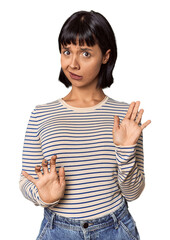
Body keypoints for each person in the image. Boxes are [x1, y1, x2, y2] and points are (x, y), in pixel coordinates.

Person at [19, 10, 151, 240]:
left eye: (86, 53)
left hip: (115, 229)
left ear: (106, 56)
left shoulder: (124, 116)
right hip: (57, 230)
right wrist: (45, 197)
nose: (73, 64)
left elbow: (133, 192)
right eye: (67, 51)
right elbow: (25, 179)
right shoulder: (42, 114)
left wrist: (126, 151)